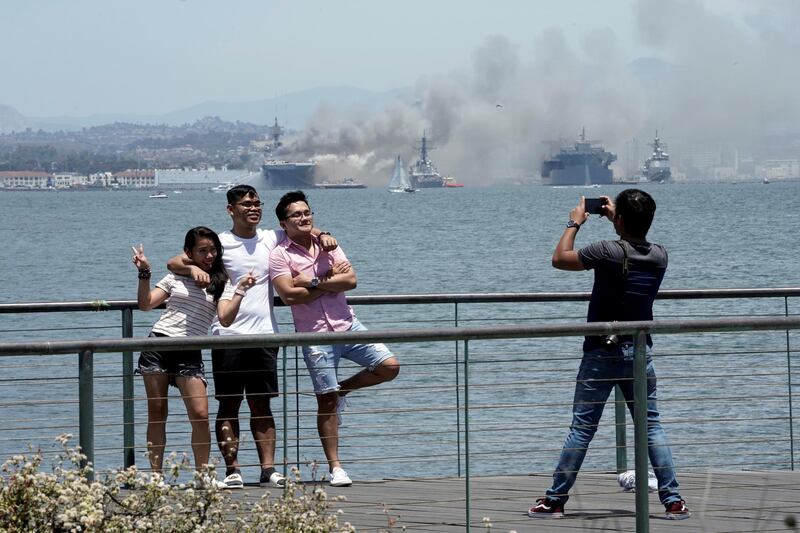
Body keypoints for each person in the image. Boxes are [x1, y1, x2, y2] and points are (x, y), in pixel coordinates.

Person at [528, 189, 691, 520]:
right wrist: (618, 216)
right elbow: (634, 242)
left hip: (601, 351)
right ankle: (673, 500)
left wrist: (574, 223)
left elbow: (560, 259)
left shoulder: (606, 251)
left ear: (619, 220)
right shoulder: (660, 255)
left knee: (583, 427)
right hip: (640, 350)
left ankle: (555, 500)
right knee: (651, 425)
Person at [167, 185, 338, 489]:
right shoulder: (221, 242)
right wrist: (193, 268)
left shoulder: (273, 237)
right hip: (227, 335)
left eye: (257, 203)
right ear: (231, 209)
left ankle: (268, 469)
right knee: (228, 404)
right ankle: (232, 469)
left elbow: (300, 228)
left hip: (265, 334)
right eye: (246, 204)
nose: (254, 209)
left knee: (262, 405)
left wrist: (323, 234)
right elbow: (174, 262)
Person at [269, 190, 400, 487]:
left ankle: (344, 391)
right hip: (314, 335)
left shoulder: (329, 244)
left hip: (348, 325)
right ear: (283, 223)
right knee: (324, 400)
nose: (303, 218)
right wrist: (329, 283)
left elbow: (351, 280)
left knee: (389, 366)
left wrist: (312, 281)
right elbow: (289, 295)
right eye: (296, 215)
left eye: (307, 213)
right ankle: (336, 467)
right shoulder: (279, 255)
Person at [132, 226, 255, 473]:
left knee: (200, 414)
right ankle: (156, 476)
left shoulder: (221, 282)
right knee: (157, 413)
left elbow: (225, 318)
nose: (209, 256)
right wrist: (144, 272)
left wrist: (240, 291)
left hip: (190, 349)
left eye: (213, 250)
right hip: (158, 343)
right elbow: (145, 305)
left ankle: (203, 474)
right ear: (189, 253)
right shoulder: (175, 277)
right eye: (202, 251)